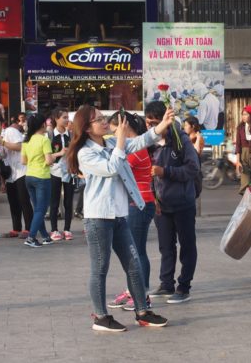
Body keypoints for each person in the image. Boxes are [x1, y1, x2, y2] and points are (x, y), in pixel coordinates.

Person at [66, 105, 172, 331]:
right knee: (100, 268)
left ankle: (142, 312)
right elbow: (112, 168)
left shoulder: (112, 143)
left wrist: (162, 125)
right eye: (99, 120)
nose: (104, 122)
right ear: (86, 128)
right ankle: (101, 318)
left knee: (134, 264)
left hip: (119, 215)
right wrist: (121, 141)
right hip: (98, 218)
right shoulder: (86, 152)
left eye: (103, 118)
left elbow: (141, 142)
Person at [145, 101, 200, 304]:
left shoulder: (181, 140)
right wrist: (153, 197)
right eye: (148, 123)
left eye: (154, 122)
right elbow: (147, 175)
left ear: (165, 121)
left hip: (183, 203)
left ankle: (184, 286)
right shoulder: (150, 144)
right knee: (165, 247)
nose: (151, 127)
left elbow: (193, 169)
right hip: (161, 205)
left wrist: (166, 172)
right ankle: (166, 283)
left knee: (187, 245)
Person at [107, 111, 156, 311]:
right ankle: (133, 290)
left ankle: (142, 293)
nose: (115, 136)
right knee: (135, 251)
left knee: (137, 252)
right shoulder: (133, 146)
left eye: (115, 131)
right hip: (138, 204)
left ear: (125, 127)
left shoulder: (136, 149)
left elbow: (115, 168)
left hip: (140, 204)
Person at [0, 114, 33, 239]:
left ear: (2, 122)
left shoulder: (10, 131)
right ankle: (16, 228)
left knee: (24, 200)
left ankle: (29, 228)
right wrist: (2, 181)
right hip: (10, 174)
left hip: (22, 170)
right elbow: (2, 159)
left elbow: (21, 146)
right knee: (13, 201)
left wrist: (3, 142)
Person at [21, 113, 56, 248]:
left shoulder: (26, 141)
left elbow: (23, 161)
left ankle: (46, 237)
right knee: (41, 209)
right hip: (42, 177)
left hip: (29, 176)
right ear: (42, 125)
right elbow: (48, 160)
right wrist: (55, 156)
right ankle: (31, 237)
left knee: (38, 209)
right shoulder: (44, 140)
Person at [48, 108, 75, 241]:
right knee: (54, 202)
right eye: (64, 117)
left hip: (68, 171)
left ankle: (67, 229)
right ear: (56, 119)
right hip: (54, 171)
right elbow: (46, 155)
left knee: (68, 201)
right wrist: (59, 154)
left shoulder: (71, 134)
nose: (67, 120)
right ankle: (54, 229)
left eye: (67, 117)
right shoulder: (49, 135)